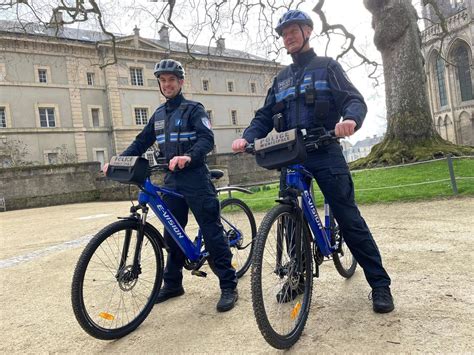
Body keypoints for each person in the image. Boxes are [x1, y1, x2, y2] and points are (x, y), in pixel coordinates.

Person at [232, 10, 394, 313]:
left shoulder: (327, 67)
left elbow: (353, 99)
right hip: (289, 153)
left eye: (293, 31)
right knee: (290, 220)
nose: (288, 37)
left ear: (308, 31)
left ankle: (380, 284)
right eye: (283, 34)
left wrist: (350, 120)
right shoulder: (280, 79)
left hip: (324, 148)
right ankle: (298, 277)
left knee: (348, 217)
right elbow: (264, 116)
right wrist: (247, 137)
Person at [105, 59, 238, 312]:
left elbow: (206, 138)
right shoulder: (158, 115)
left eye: (171, 80)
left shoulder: (193, 109)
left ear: (180, 82)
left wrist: (189, 156)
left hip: (195, 176)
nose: (167, 84)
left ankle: (228, 286)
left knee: (211, 231)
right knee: (171, 232)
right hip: (171, 179)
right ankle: (173, 283)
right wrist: (117, 161)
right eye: (163, 80)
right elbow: (140, 142)